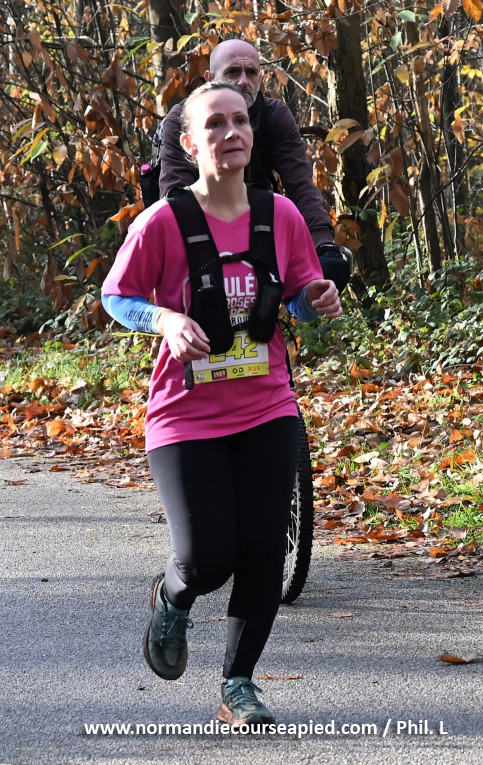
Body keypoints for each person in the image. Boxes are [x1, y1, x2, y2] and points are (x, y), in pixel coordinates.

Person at [102, 82, 342, 726]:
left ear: (252, 135)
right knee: (208, 557)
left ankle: (239, 685)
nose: (231, 132)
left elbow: (296, 296)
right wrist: (166, 321)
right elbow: (116, 297)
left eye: (240, 121)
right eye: (214, 124)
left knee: (264, 550)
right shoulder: (163, 222)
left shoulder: (280, 216)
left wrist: (315, 299)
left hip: (267, 406)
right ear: (189, 143)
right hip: (185, 414)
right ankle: (172, 597)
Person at [157, 39, 349, 289]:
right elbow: (174, 194)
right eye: (232, 72)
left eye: (251, 72)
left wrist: (322, 244)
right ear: (210, 78)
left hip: (256, 225)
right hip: (195, 233)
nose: (243, 81)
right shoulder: (183, 120)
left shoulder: (274, 116)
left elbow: (300, 185)